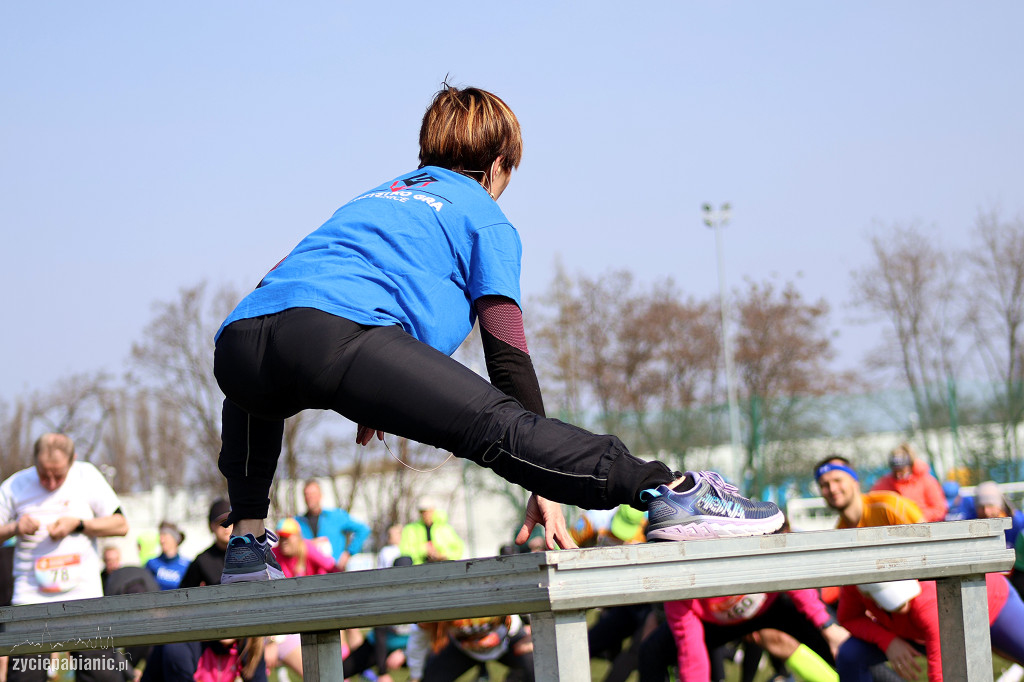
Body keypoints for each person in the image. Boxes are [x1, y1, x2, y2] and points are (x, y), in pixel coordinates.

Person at [211, 84, 783, 581]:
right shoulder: (481, 211)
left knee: (255, 390)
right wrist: (543, 481)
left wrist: (369, 382)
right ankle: (668, 491)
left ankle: (247, 540)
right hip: (339, 335)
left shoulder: (374, 198)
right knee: (497, 424)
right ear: (500, 165)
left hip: (239, 340)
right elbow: (506, 356)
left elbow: (289, 307)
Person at [0, 433, 130, 682]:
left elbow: (121, 524)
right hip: (30, 601)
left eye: (58, 475)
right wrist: (14, 528)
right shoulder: (15, 485)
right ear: (33, 462)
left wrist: (79, 524)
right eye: (43, 474)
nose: (49, 483)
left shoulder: (87, 476)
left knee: (104, 677)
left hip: (84, 598)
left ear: (74, 461)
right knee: (25, 678)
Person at [836, 575, 1024, 682]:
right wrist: (888, 641)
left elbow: (941, 673)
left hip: (993, 606)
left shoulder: (929, 602)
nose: (901, 603)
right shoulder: (856, 585)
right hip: (918, 631)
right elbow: (848, 617)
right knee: (850, 654)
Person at [638, 589, 849, 682]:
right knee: (651, 653)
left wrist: (827, 626)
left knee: (848, 649)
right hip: (715, 620)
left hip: (773, 602)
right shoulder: (679, 576)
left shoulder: (742, 521)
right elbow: (690, 651)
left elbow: (787, 569)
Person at [814, 456, 924, 529]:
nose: (832, 488)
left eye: (838, 480)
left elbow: (931, 542)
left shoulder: (890, 506)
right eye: (824, 485)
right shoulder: (840, 532)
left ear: (854, 481)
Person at [293, 479, 370, 571]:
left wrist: (348, 553)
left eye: (313, 494)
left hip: (334, 572)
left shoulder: (336, 516)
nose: (310, 497)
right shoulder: (297, 522)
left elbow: (363, 529)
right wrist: (309, 544)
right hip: (308, 575)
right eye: (306, 494)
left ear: (320, 495)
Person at [869, 444, 947, 522]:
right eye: (895, 470)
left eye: (902, 470)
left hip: (923, 527)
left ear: (910, 466)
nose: (898, 474)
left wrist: (914, 517)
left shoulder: (926, 481)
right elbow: (871, 507)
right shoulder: (884, 483)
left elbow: (939, 509)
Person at [178, 499, 232, 589]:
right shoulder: (202, 561)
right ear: (212, 526)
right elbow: (183, 594)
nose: (227, 527)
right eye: (221, 522)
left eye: (230, 521)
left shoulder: (251, 555)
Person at [399, 497, 465, 565]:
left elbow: (459, 549)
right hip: (418, 569)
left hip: (444, 566)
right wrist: (424, 550)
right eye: (422, 512)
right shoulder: (410, 529)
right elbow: (405, 552)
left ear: (433, 510)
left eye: (428, 511)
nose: (426, 514)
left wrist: (443, 555)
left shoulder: (445, 529)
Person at [145, 521, 191, 590]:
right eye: (160, 536)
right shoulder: (151, 563)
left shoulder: (187, 565)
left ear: (175, 539)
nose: (161, 540)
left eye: (165, 535)